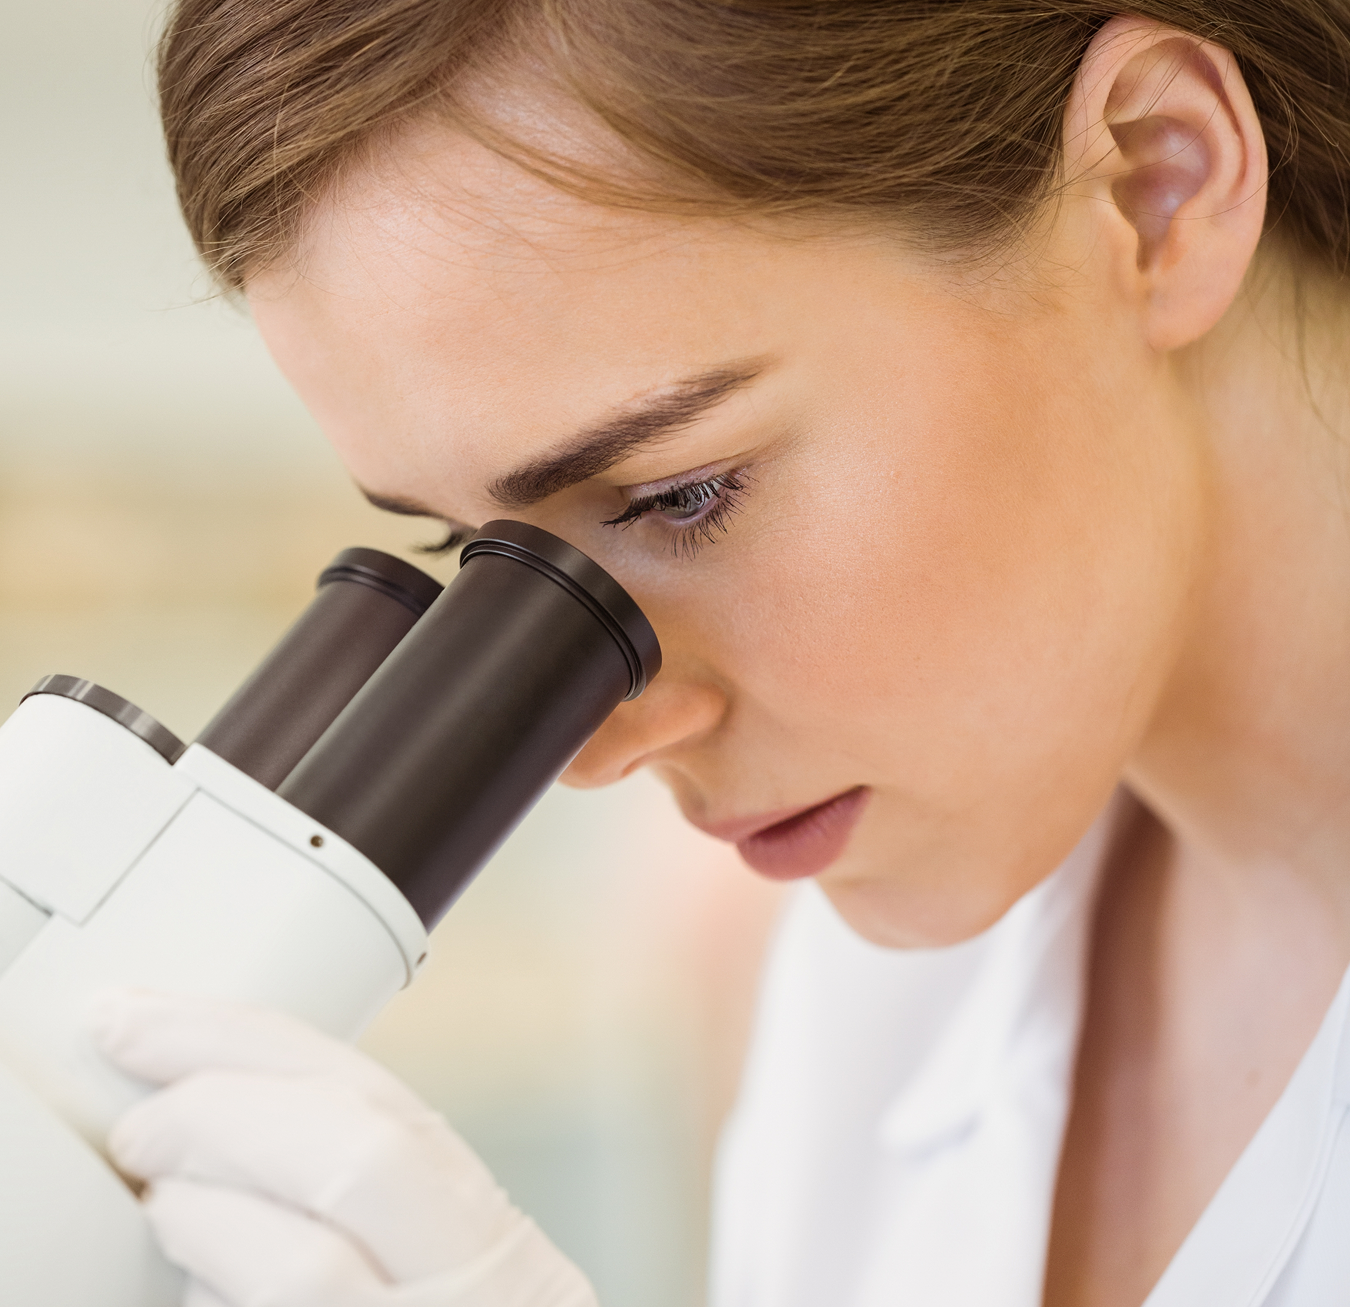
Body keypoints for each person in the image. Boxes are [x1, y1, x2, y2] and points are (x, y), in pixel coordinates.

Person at [88, 3, 1350, 1304]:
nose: (591, 746)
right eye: (479, 564)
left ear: (1155, 185)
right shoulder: (868, 1001)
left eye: (682, 495)